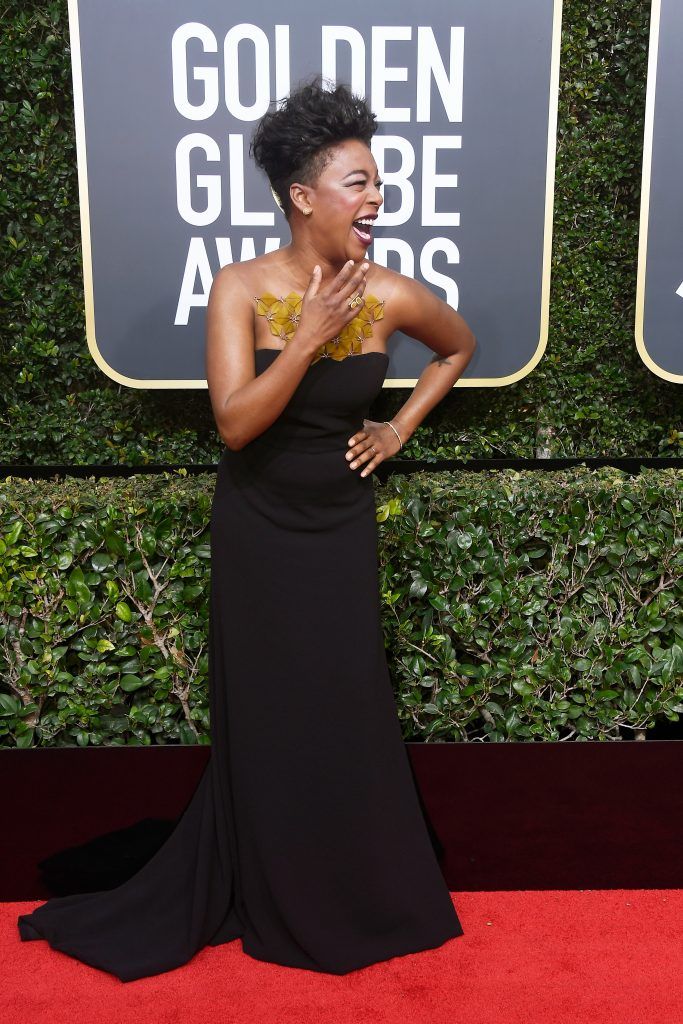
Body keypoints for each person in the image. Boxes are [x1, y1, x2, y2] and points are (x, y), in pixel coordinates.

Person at [17, 75, 476, 981]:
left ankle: (355, 885)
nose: (376, 197)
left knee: (343, 704)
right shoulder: (241, 288)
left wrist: (396, 425)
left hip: (339, 527)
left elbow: (457, 346)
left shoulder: (388, 294)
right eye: (357, 182)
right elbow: (235, 423)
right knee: (270, 713)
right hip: (260, 527)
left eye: (378, 182)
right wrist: (305, 337)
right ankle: (267, 875)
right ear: (304, 197)